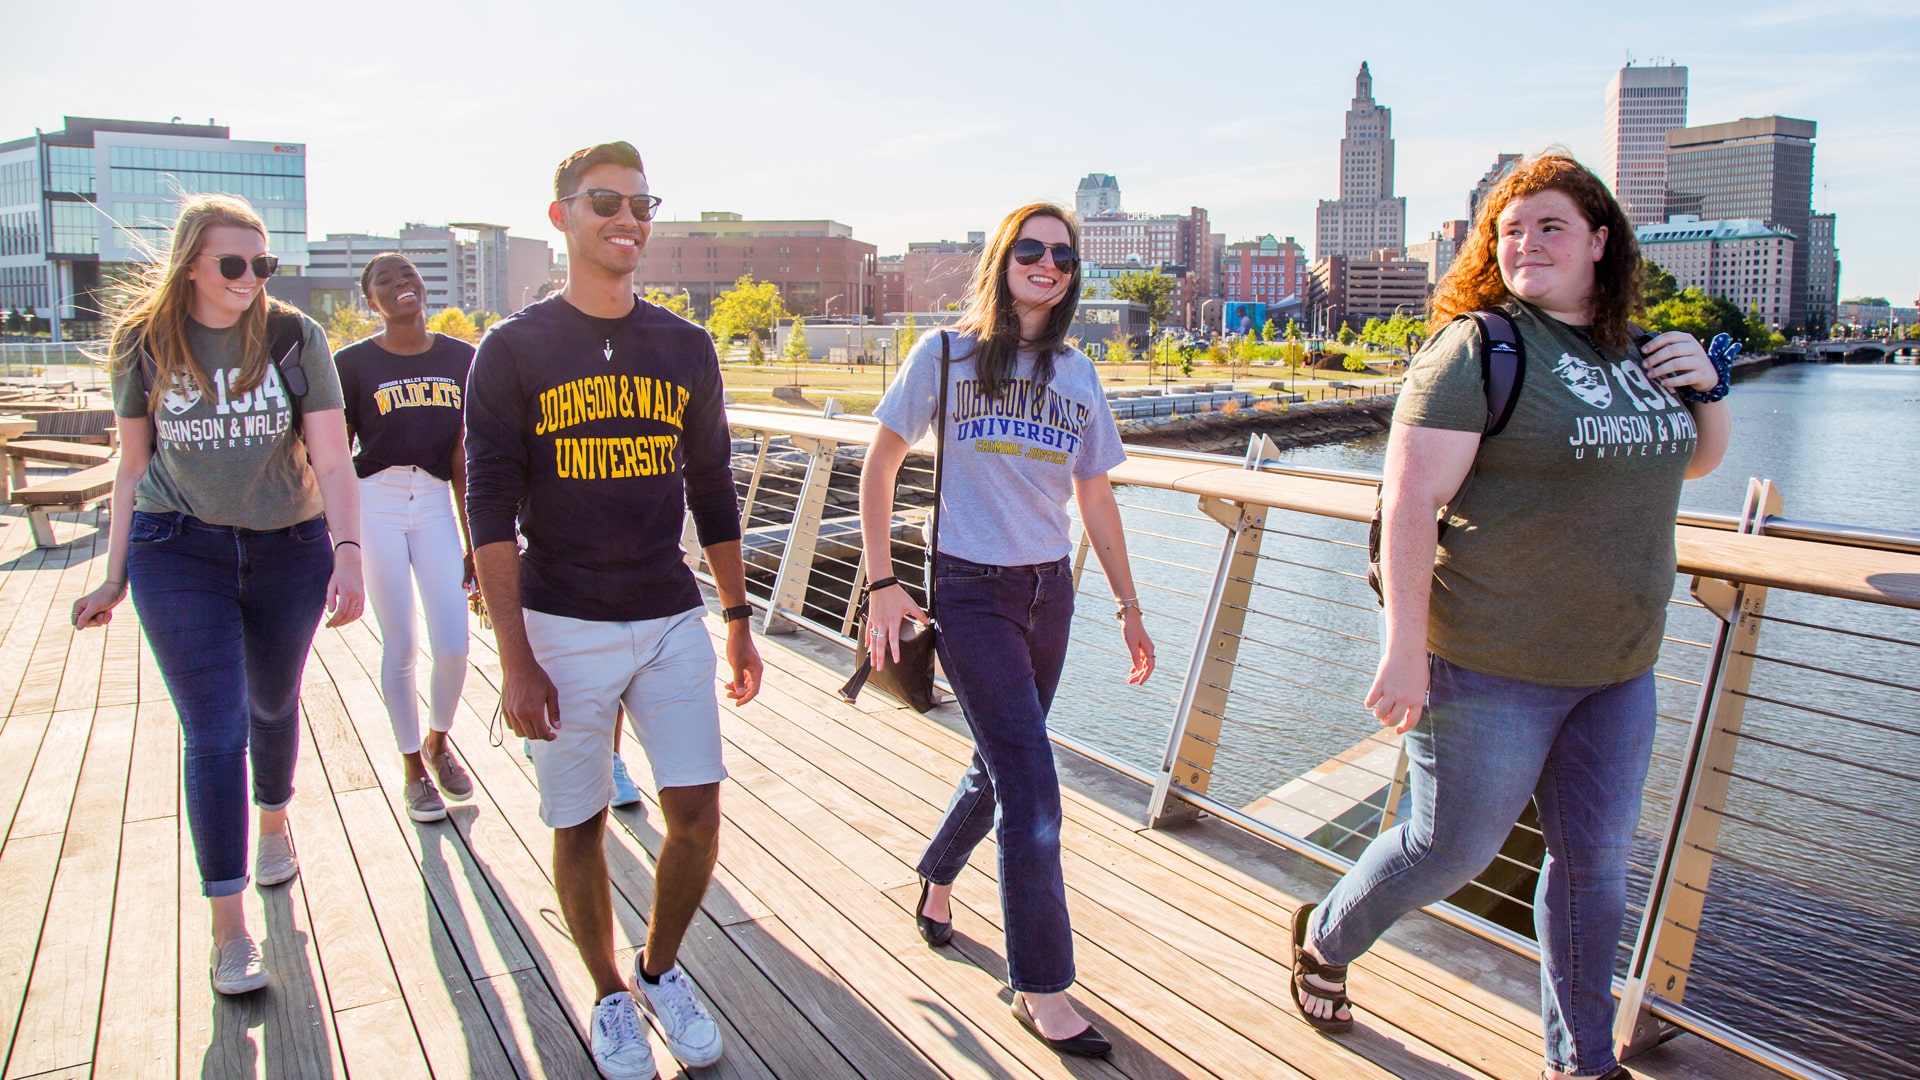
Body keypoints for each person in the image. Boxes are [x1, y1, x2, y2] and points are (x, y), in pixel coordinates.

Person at [1289, 153, 1732, 1080]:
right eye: (1511, 230)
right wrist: (1403, 649)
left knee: (1595, 875)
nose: (1526, 242)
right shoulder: (1480, 348)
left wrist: (1708, 392)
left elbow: (1688, 463)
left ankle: (1583, 1063)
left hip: (1618, 668)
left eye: (1551, 225)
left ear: (1601, 241)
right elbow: (1409, 507)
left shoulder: (1637, 348)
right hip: (1487, 663)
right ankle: (1328, 934)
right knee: (1447, 849)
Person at [464, 141, 762, 1080]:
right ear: (562, 216)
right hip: (560, 622)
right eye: (607, 202)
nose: (629, 219)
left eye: (642, 203)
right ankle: (606, 994)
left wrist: (740, 616)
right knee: (580, 821)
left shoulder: (684, 347)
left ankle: (660, 968)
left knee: (699, 814)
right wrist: (515, 656)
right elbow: (489, 511)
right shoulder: (511, 352)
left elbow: (712, 488)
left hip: (669, 615)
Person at [858, 203, 1155, 1059]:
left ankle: (935, 876)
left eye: (1063, 254)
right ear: (1003, 259)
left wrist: (1131, 609)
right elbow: (880, 461)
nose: (1048, 263)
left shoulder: (1077, 374)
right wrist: (883, 582)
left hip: (1046, 594)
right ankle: (1042, 986)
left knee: (999, 764)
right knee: (1033, 787)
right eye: (1031, 248)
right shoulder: (944, 356)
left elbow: (1096, 495)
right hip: (970, 590)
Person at [70, 194, 364, 995]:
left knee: (273, 702)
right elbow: (133, 467)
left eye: (262, 264)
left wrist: (350, 554)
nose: (250, 278)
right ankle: (229, 927)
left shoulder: (292, 336)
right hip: (178, 544)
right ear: (191, 262)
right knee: (213, 728)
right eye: (233, 264)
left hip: (289, 546)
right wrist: (115, 572)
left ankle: (275, 818)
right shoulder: (145, 342)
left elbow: (334, 462)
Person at [334, 254, 476, 823]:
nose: (402, 286)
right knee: (401, 645)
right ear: (372, 302)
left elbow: (466, 460)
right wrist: (338, 544)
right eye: (386, 283)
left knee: (454, 645)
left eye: (409, 277)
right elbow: (336, 461)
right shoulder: (351, 364)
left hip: (437, 502)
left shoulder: (463, 359)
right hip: (378, 505)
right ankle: (413, 767)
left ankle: (440, 741)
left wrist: (476, 542)